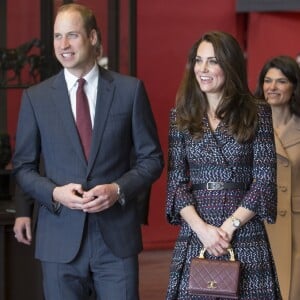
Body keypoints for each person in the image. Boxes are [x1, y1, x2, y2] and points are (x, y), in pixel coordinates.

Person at [12, 3, 164, 300]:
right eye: (57, 37)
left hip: (115, 240)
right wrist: (55, 193)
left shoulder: (129, 91)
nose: (63, 45)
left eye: (72, 35)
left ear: (93, 37)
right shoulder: (36, 98)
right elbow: (24, 168)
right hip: (59, 238)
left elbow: (152, 160)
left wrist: (118, 189)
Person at [165, 30, 281, 299]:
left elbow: (263, 181)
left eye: (213, 61)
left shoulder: (257, 112)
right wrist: (203, 230)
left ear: (229, 65)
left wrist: (228, 228)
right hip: (197, 230)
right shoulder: (181, 115)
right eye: (198, 60)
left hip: (243, 228)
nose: (202, 69)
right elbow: (176, 184)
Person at [254, 55, 300, 300]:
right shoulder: (247, 126)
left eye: (281, 81)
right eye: (267, 80)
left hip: (296, 229)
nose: (272, 87)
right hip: (257, 223)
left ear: (294, 87)